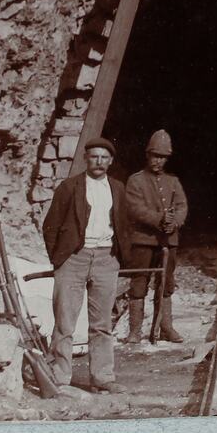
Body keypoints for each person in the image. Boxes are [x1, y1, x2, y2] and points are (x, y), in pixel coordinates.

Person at [42, 137, 131, 393]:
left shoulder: (117, 188)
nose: (99, 162)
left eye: (104, 158)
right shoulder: (69, 187)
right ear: (86, 159)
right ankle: (60, 377)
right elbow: (50, 226)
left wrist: (118, 257)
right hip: (74, 258)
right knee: (65, 322)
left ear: (110, 161)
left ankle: (102, 378)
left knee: (102, 324)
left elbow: (125, 224)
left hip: (106, 259)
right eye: (94, 157)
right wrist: (60, 258)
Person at [123, 129, 188, 343]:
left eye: (162, 157)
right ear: (147, 155)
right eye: (154, 156)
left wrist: (174, 222)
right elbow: (135, 208)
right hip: (143, 240)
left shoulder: (173, 181)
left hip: (168, 241)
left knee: (166, 284)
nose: (158, 161)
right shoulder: (135, 181)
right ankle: (135, 330)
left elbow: (182, 206)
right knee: (139, 282)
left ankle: (165, 327)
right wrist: (159, 219)